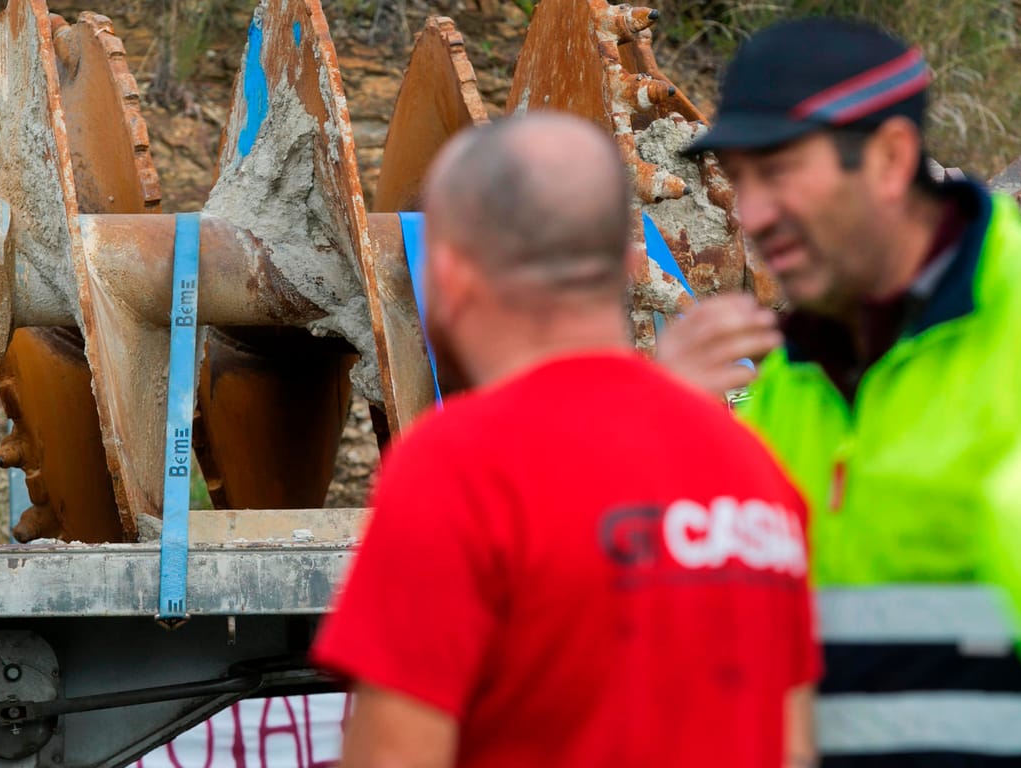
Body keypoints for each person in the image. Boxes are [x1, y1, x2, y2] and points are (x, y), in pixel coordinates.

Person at [311, 113, 819, 768]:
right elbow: (795, 743)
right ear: (632, 264)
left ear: (453, 276)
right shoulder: (757, 472)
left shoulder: (462, 464)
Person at [661, 17, 1021, 765]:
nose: (752, 214)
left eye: (780, 170)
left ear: (892, 158)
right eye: (740, 179)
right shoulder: (783, 384)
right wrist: (663, 434)